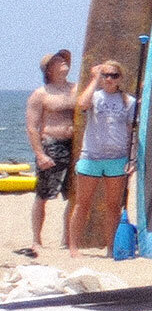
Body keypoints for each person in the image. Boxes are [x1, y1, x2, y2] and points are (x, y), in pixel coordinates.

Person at [62, 60, 137, 256]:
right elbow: (82, 104)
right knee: (82, 203)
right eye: (106, 75)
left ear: (120, 78)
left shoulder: (128, 101)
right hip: (92, 156)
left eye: (114, 75)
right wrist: (95, 78)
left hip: (117, 158)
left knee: (113, 206)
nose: (110, 79)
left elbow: (132, 131)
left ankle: (111, 247)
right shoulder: (94, 96)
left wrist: (132, 159)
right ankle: (73, 246)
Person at [22, 51, 77, 256]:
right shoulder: (41, 94)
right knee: (43, 194)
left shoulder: (76, 89)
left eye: (64, 60)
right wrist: (40, 154)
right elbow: (32, 127)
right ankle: (36, 239)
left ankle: (68, 238)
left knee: (74, 194)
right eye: (58, 60)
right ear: (49, 69)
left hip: (75, 144)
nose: (63, 62)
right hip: (52, 145)